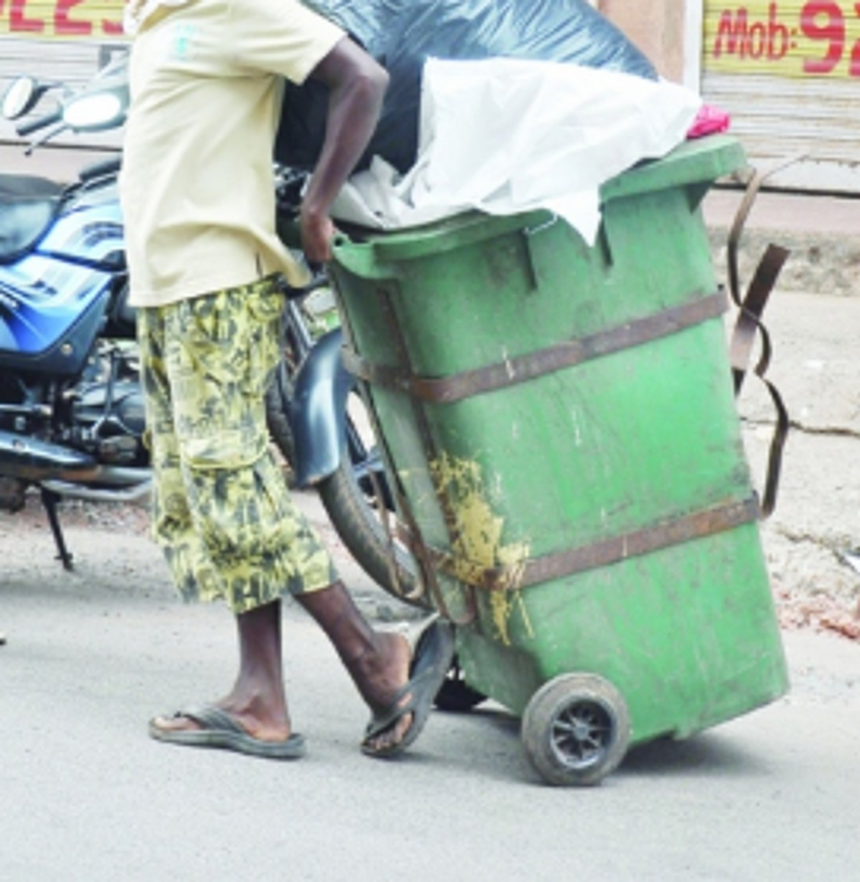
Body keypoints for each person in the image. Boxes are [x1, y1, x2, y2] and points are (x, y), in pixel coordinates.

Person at [120, 0, 454, 760]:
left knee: (235, 485)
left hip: (215, 287)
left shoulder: (234, 5)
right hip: (165, 290)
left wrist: (316, 205)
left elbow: (360, 78)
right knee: (210, 492)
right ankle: (260, 696)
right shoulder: (156, 18)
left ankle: (374, 656)